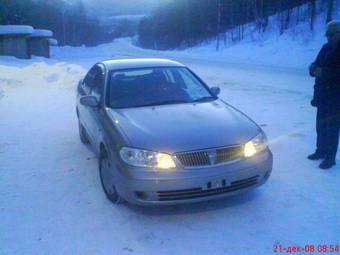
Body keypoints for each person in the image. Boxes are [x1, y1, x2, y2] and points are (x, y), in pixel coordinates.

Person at [308, 20, 340, 169]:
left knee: (332, 129)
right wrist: (313, 68)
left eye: (331, 35)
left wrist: (322, 72)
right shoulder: (325, 48)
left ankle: (330, 157)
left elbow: (336, 72)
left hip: (335, 98)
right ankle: (320, 151)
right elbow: (315, 64)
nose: (328, 37)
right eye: (327, 35)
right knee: (320, 126)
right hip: (322, 95)